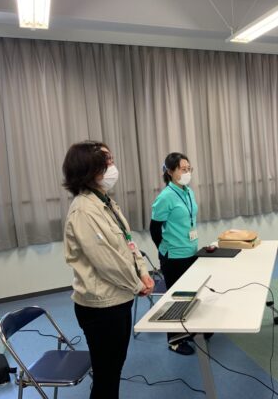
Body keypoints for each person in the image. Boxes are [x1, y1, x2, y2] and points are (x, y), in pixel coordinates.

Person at [63, 141, 154, 399]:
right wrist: (137, 284)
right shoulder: (84, 210)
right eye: (108, 162)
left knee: (113, 371)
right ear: (89, 169)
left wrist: (143, 272)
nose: (113, 167)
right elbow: (107, 262)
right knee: (106, 376)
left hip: (119, 298)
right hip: (101, 307)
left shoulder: (105, 202)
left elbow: (128, 243)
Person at [150, 152, 199, 356]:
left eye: (189, 169)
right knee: (176, 298)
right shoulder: (165, 197)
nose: (187, 173)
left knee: (191, 295)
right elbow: (154, 228)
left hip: (191, 251)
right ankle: (174, 340)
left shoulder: (188, 192)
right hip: (173, 257)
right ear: (170, 172)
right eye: (183, 169)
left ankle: (189, 330)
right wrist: (165, 249)